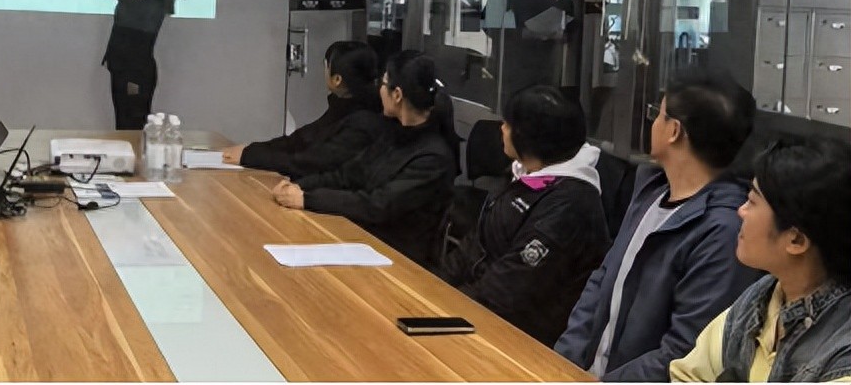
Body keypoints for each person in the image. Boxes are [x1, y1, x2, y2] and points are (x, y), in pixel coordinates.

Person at [555, 69, 763, 381]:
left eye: (658, 114)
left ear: (674, 131)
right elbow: (602, 280)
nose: (652, 122)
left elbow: (684, 352)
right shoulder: (651, 191)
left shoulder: (724, 230)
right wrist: (563, 363)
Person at [440, 86, 610, 346]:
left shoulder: (570, 205)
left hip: (520, 339)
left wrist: (443, 310)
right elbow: (476, 243)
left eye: (508, 124)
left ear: (529, 136)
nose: (502, 129)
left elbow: (508, 291)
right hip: (474, 313)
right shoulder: (524, 173)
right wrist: (435, 287)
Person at [670, 140, 851, 382]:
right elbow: (686, 375)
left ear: (796, 240)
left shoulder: (843, 350)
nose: (741, 211)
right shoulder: (760, 298)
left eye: (752, 202)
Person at [272, 50, 459, 268]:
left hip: (397, 260)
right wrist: (298, 186)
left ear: (397, 95)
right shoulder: (394, 134)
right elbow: (347, 175)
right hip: (360, 240)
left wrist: (307, 199)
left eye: (384, 83)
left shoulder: (434, 158)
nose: (379, 90)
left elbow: (377, 205)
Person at [221, 41, 385, 179]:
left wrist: (250, 156)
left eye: (326, 66)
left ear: (337, 79)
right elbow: (299, 140)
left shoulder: (364, 121)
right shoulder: (343, 107)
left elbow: (310, 162)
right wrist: (251, 150)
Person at [62, 0, 180, 130]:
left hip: (135, 74)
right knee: (122, 121)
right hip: (122, 69)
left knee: (132, 124)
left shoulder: (152, 2)